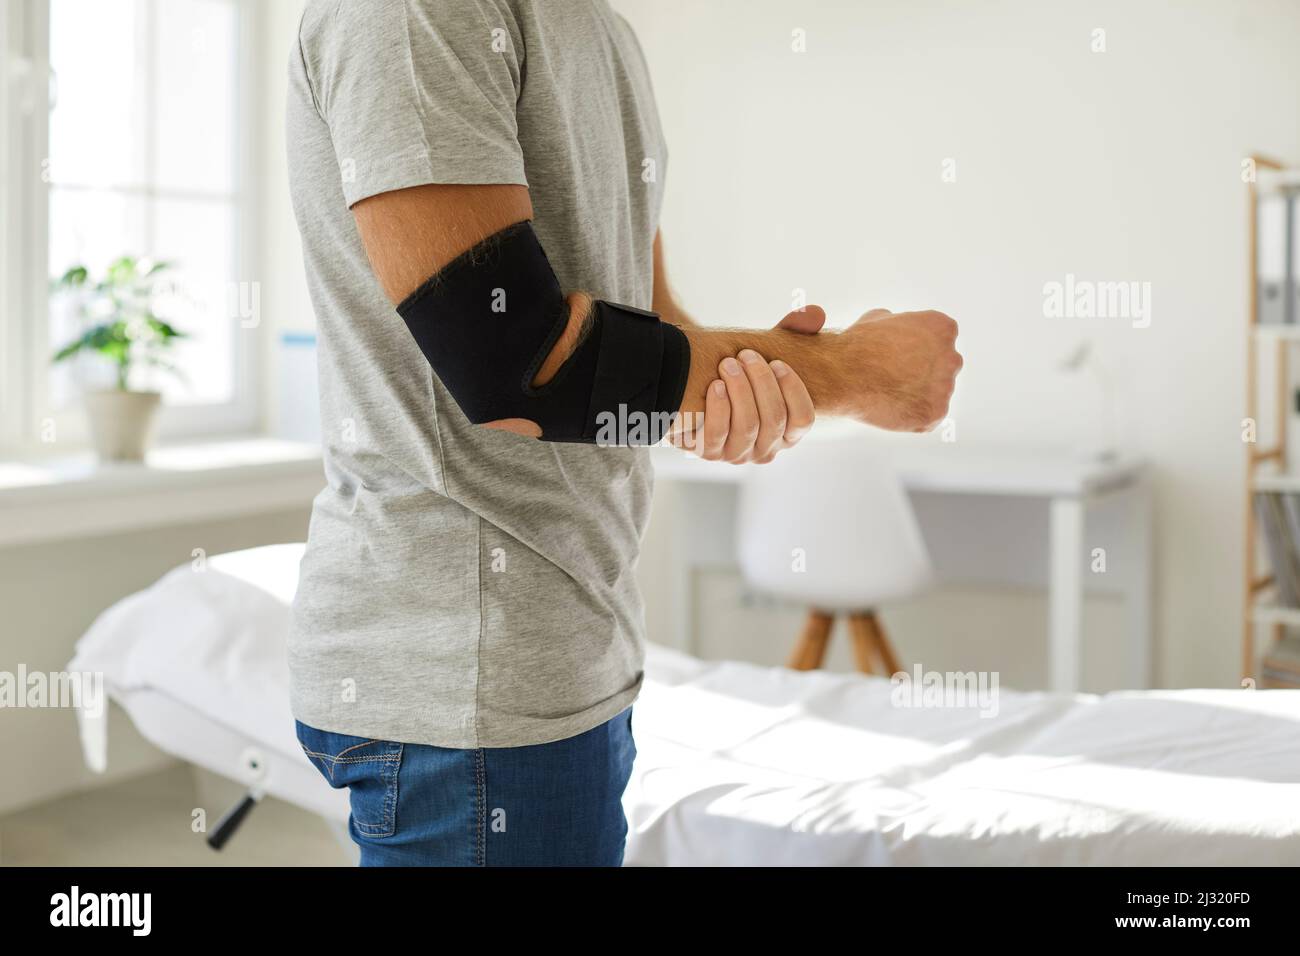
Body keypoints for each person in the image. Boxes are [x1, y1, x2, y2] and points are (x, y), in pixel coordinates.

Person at [285, 0, 961, 867]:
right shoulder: (417, 12)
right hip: (464, 672)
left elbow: (647, 335)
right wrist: (861, 372)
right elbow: (513, 360)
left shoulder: (601, 30)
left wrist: (759, 387)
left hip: (574, 646)